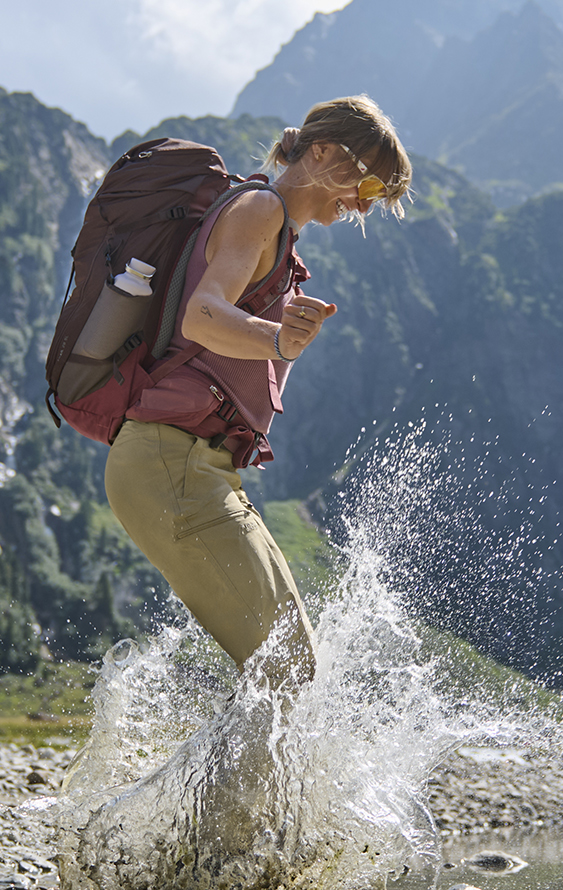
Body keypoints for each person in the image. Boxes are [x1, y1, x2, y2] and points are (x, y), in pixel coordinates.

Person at [102, 96, 411, 690]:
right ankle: (205, 789)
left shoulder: (278, 235)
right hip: (172, 463)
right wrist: (280, 339)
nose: (363, 203)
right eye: (367, 182)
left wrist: (280, 336)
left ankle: (200, 787)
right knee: (286, 671)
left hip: (195, 466)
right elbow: (202, 316)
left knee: (290, 667)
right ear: (321, 152)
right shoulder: (259, 210)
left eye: (375, 197)